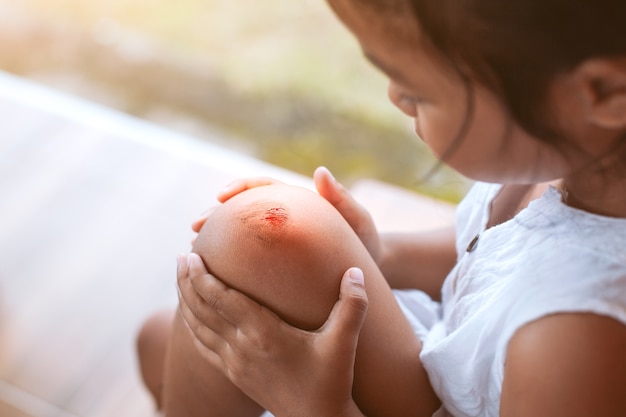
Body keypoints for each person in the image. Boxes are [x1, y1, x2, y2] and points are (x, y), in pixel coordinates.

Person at [137, 0, 626, 415]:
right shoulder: (572, 159)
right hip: (444, 350)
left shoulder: (578, 342)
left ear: (602, 94)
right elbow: (494, 255)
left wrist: (316, 405)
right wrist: (383, 254)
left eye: (417, 90)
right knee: (162, 334)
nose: (395, 98)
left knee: (186, 343)